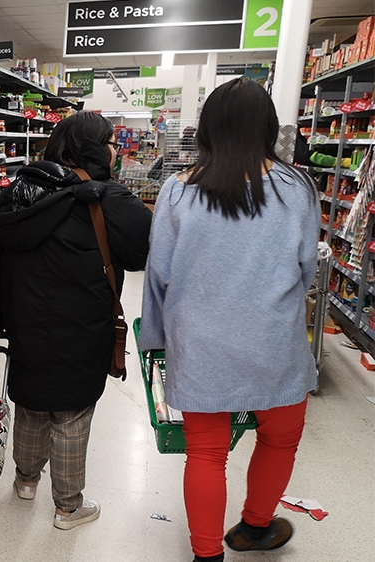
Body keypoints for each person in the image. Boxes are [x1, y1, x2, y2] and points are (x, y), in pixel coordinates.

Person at [139, 78, 320, 562]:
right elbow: (306, 267)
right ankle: (255, 528)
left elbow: (159, 275)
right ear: (268, 128)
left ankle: (206, 555)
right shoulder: (298, 188)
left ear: (207, 130)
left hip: (199, 344)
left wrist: (156, 339)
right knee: (281, 438)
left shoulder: (178, 192)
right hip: (273, 341)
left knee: (205, 451)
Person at [0, 111, 152, 530]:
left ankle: (26, 480)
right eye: (110, 143)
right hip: (83, 324)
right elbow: (143, 251)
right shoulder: (106, 198)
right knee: (72, 412)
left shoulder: (16, 193)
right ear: (93, 148)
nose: (114, 151)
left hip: (26, 320)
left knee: (32, 402)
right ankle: (68, 506)